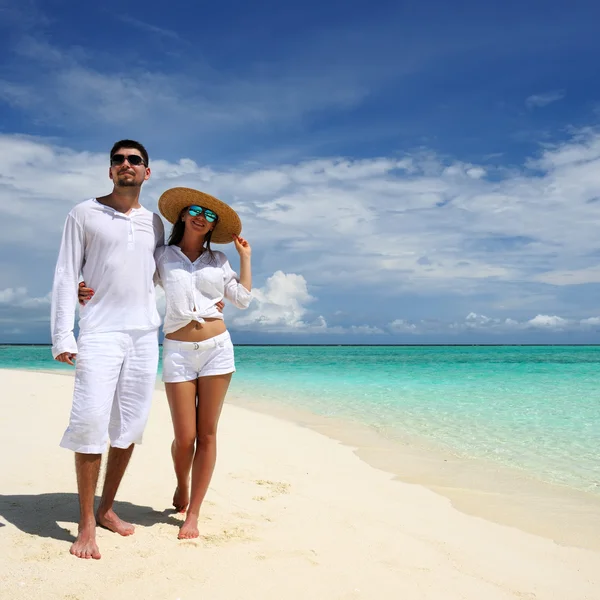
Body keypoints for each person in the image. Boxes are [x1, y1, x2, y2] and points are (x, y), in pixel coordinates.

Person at [79, 187, 252, 540]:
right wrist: (84, 285)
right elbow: (126, 276)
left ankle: (193, 515)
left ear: (213, 225)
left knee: (207, 434)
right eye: (196, 211)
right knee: (184, 437)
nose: (202, 217)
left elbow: (243, 300)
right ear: (184, 216)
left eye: (210, 215)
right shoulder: (161, 255)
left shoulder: (218, 262)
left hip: (218, 349)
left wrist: (245, 258)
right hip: (177, 351)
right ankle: (182, 483)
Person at [50, 139, 163, 560]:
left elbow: (157, 272)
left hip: (144, 335)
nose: (126, 165)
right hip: (98, 332)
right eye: (118, 160)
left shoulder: (154, 223)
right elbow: (66, 274)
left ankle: (107, 508)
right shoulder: (83, 213)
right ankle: (84, 526)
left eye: (134, 160)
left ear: (146, 172)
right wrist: (64, 334)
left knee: (129, 426)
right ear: (109, 170)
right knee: (90, 422)